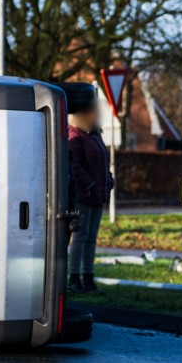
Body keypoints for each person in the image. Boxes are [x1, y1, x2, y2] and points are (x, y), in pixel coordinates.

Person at [67, 88, 114, 293]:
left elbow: (104, 163)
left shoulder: (95, 136)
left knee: (91, 238)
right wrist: (90, 184)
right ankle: (75, 277)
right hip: (84, 197)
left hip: (97, 196)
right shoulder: (75, 136)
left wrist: (109, 180)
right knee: (80, 238)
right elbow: (74, 166)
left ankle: (88, 276)